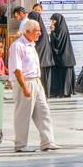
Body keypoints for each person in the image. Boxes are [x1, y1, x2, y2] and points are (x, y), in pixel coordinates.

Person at [9, 19, 59, 152]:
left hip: (36, 81)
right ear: (28, 31)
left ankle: (48, 142)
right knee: (23, 115)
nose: (39, 33)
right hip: (25, 82)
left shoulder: (31, 44)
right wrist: (24, 87)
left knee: (44, 112)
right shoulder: (18, 45)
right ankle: (20, 145)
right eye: (37, 31)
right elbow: (17, 69)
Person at [46, 13, 75, 98]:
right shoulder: (59, 29)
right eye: (51, 20)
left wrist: (52, 32)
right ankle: (59, 91)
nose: (52, 22)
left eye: (54, 20)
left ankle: (64, 92)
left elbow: (58, 42)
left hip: (64, 58)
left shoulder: (61, 30)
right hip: (62, 58)